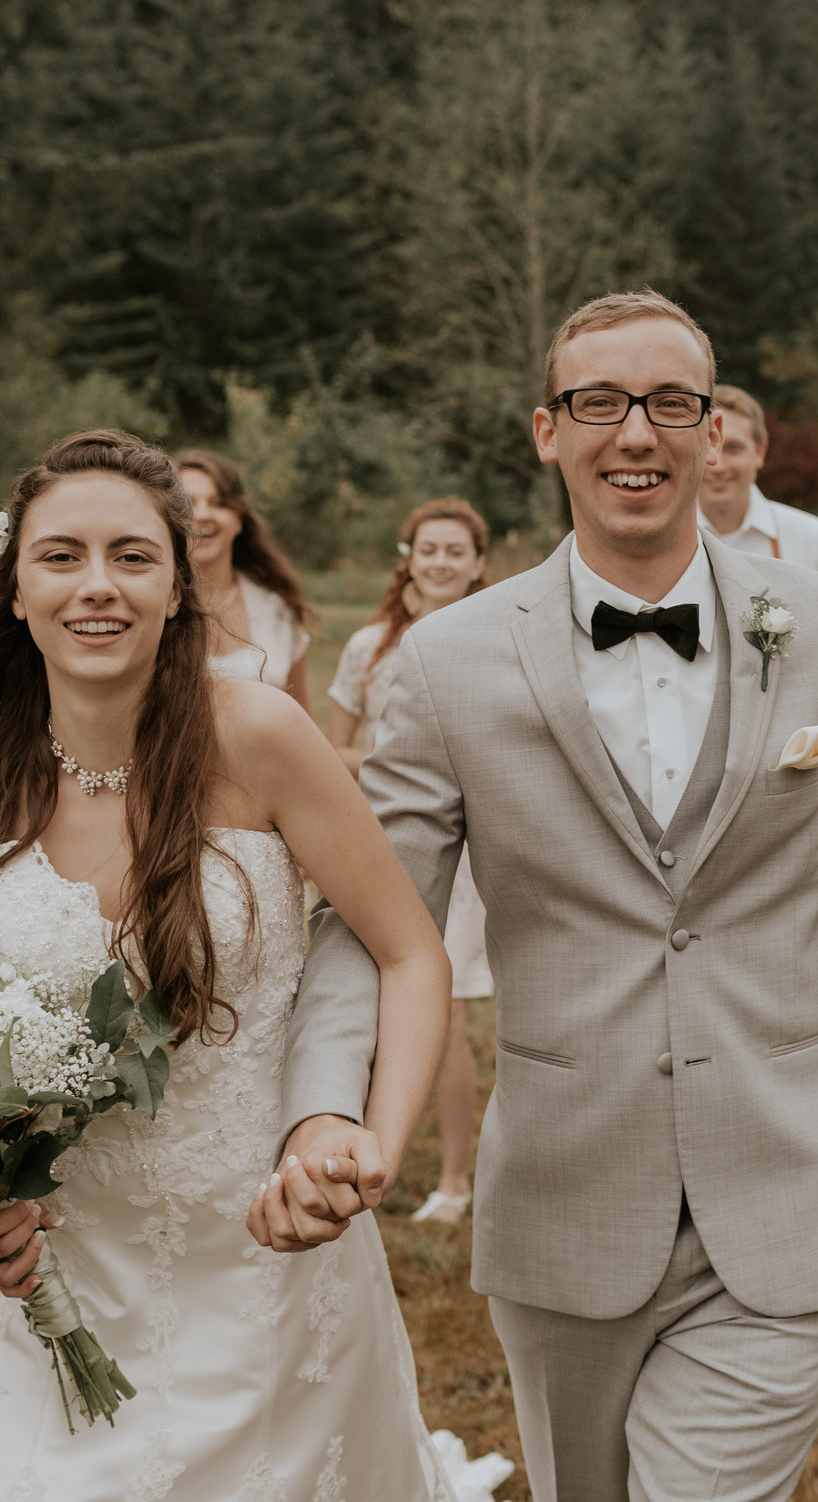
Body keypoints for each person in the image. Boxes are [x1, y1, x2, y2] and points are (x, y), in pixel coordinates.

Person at [258, 291, 818, 1502]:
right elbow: (369, 922)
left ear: (714, 433)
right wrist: (318, 1111)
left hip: (782, 1192)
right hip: (561, 1201)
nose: (637, 434)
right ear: (546, 431)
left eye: (670, 403)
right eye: (599, 403)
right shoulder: (445, 664)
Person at [0, 431, 502, 1499]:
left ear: (178, 582)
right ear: (14, 589)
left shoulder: (257, 733)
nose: (96, 586)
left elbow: (408, 951)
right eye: (60, 556)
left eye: (131, 556)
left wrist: (362, 1148)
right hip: (64, 1274)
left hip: (268, 1252)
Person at [327, 498, 496, 1224]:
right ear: (410, 557)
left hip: (465, 849)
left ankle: (455, 1179)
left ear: (478, 563)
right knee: (358, 997)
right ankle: (351, 1147)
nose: (440, 562)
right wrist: (389, 766)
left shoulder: (498, 641)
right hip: (375, 840)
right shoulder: (368, 647)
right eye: (429, 549)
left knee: (446, 1008)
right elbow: (332, 753)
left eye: (455, 551)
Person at [177, 449, 315, 709]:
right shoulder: (152, 605)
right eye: (187, 504)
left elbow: (303, 719)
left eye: (219, 503)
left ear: (239, 520)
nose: (203, 514)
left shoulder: (278, 608)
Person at [697, 383, 818, 579]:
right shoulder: (662, 539)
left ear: (760, 452)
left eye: (733, 448)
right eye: (706, 447)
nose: (718, 466)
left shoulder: (813, 540)